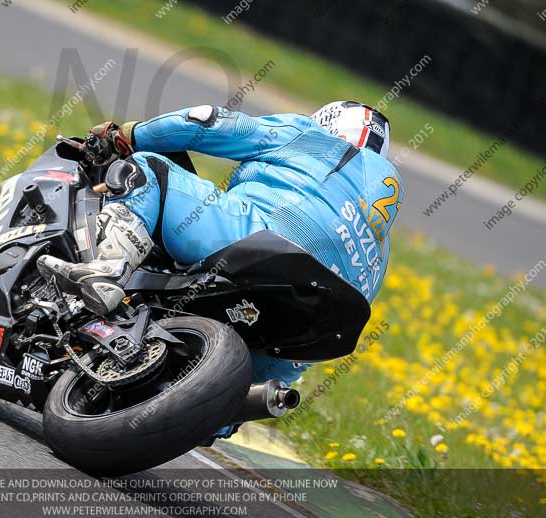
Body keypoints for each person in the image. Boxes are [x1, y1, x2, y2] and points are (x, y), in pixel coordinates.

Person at [37, 102, 403, 433]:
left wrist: (129, 134)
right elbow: (304, 353)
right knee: (257, 383)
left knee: (151, 170)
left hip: (253, 240)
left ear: (327, 124)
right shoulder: (380, 252)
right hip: (306, 325)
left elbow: (209, 122)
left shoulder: (312, 137)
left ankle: (107, 269)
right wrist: (229, 402)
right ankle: (224, 410)